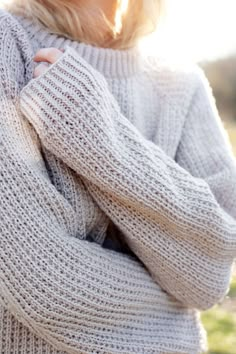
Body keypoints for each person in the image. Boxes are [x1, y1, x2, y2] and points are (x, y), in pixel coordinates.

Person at [0, 0, 236, 353]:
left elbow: (210, 272)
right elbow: (44, 278)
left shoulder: (181, 82)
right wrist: (177, 324)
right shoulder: (8, 45)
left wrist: (99, 136)